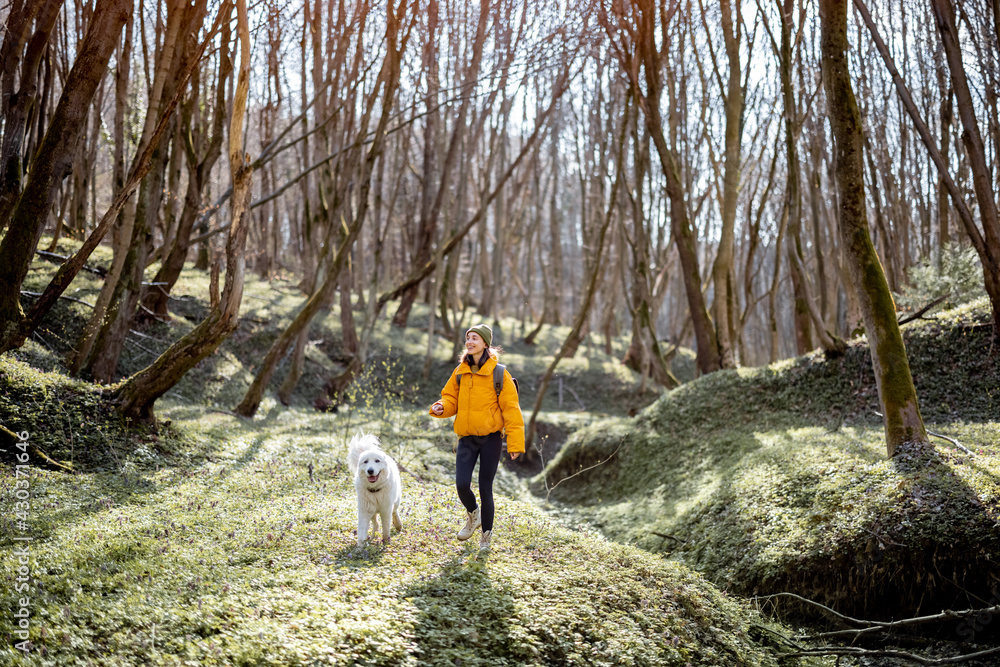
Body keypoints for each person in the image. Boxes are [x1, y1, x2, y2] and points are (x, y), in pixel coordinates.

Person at [429, 323, 523, 552]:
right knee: (462, 484)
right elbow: (450, 397)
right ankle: (474, 515)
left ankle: (486, 536)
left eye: (475, 338)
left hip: (491, 438)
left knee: (485, 487)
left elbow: (511, 409)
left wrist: (515, 442)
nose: (469, 341)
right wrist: (441, 407)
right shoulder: (460, 371)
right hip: (467, 438)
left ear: (485, 343)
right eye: (467, 338)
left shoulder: (499, 373)